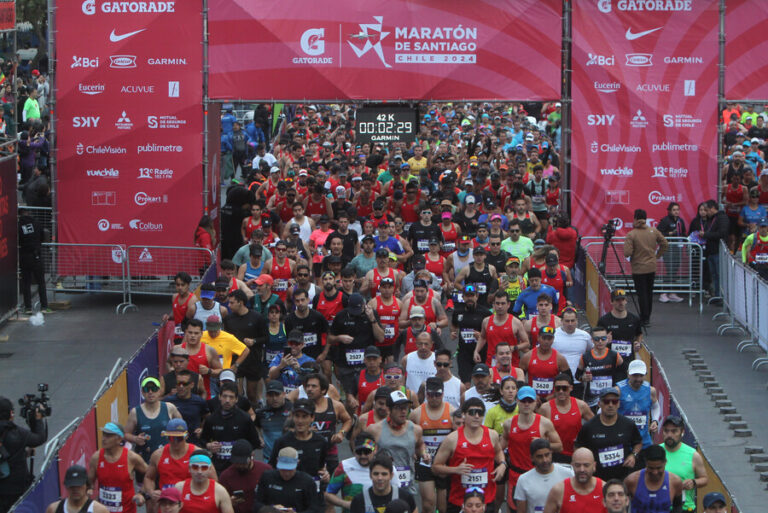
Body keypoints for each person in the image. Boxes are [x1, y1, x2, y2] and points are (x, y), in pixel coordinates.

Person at [431, 398, 506, 513]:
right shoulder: (452, 439)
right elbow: (435, 467)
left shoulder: (492, 435)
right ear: (464, 415)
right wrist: (455, 469)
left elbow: (498, 452)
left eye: (480, 413)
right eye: (472, 412)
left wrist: (502, 464)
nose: (476, 416)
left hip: (485, 499)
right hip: (459, 500)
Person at [502, 386, 563, 504]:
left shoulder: (545, 423)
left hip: (537, 473)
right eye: (523, 401)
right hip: (516, 475)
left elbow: (559, 447)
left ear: (535, 403)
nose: (526, 404)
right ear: (517, 402)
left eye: (530, 401)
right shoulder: (509, 424)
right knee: (515, 508)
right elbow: (500, 447)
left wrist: (543, 443)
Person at [365, 390, 427, 497]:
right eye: (399, 408)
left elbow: (420, 445)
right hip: (383, 486)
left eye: (406, 407)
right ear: (389, 409)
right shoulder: (374, 430)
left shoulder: (416, 430)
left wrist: (424, 453)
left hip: (407, 486)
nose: (403, 411)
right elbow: (366, 452)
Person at [409, 377, 456, 513]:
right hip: (425, 462)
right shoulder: (416, 413)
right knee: (429, 504)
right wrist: (415, 452)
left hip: (444, 464)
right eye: (430, 394)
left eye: (437, 394)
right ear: (426, 393)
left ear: (443, 393)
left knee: (443, 507)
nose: (434, 398)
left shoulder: (452, 412)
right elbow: (409, 436)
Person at [329, 293, 386, 404]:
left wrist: (372, 319)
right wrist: (339, 337)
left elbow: (381, 338)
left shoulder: (372, 314)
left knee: (367, 396)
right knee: (349, 399)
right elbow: (330, 339)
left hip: (366, 364)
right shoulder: (341, 316)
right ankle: (351, 420)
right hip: (346, 365)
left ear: (364, 306)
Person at [575, 388, 642, 482]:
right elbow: (578, 447)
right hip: (597, 479)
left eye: (614, 402)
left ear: (618, 404)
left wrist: (633, 455)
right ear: (599, 404)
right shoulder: (589, 427)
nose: (610, 405)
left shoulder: (628, 424)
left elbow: (638, 442)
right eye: (606, 402)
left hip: (622, 478)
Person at [143, 419, 215, 506]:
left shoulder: (198, 454)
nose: (175, 442)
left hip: (191, 504)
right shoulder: (158, 455)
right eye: (171, 437)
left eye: (179, 438)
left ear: (187, 436)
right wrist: (151, 492)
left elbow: (213, 481)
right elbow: (148, 478)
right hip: (167, 505)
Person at [326, 432, 400, 513]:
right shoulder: (344, 467)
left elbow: (398, 495)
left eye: (367, 452)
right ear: (354, 451)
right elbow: (328, 494)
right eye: (359, 452)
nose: (363, 456)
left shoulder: (387, 467)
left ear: (375, 449)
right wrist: (345, 504)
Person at [199, 382, 260, 474]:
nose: (227, 400)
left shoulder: (245, 419)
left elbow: (255, 442)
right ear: (219, 397)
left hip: (239, 467)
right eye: (224, 396)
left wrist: (243, 451)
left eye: (231, 397)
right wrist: (208, 445)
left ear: (236, 399)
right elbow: (203, 440)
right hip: (218, 467)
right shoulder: (211, 419)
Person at [0, 396, 47, 512]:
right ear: (11, 413)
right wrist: (38, 419)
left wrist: (24, 453)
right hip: (15, 490)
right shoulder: (17, 432)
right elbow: (39, 438)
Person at [88, 423, 148, 513]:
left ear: (119, 439)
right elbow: (89, 483)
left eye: (108, 436)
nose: (104, 439)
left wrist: (141, 493)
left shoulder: (131, 458)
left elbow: (151, 475)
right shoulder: (96, 457)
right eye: (104, 434)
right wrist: (90, 490)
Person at [623, 209, 668, 326]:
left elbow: (627, 252)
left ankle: (644, 317)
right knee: (649, 292)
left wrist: (633, 252)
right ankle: (647, 316)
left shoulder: (631, 234)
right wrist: (657, 255)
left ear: (635, 219)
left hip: (638, 268)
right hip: (651, 266)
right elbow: (665, 244)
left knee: (641, 293)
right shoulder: (653, 230)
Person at [270, 398, 330, 485]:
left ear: (312, 417)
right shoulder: (282, 442)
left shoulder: (321, 442)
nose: (300, 421)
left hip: (312, 491)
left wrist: (325, 475)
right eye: (297, 416)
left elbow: (322, 468)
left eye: (304, 416)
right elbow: (272, 468)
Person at [223, 290, 268, 405]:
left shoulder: (257, 317)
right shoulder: (228, 319)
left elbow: (266, 338)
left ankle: (253, 416)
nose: (229, 305)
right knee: (237, 394)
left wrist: (254, 341)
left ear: (241, 302)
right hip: (236, 361)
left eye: (232, 303)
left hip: (253, 361)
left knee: (252, 394)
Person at [302, 373, 352, 474]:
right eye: (307, 386)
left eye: (314, 386)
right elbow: (288, 428)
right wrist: (303, 431)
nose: (309, 389)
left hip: (330, 452)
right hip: (308, 452)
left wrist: (341, 433)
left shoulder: (336, 405)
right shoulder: (301, 407)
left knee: (330, 485)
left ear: (323, 390)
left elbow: (348, 420)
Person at [538, 374, 593, 464]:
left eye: (564, 388)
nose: (561, 391)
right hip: (554, 456)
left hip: (575, 455)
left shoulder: (581, 405)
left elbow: (594, 425)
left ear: (571, 388)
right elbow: (540, 433)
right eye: (558, 388)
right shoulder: (546, 408)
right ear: (554, 389)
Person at [124, 377, 182, 462]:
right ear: (142, 393)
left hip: (166, 458)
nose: (150, 392)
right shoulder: (135, 412)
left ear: (159, 391)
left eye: (154, 389)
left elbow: (182, 428)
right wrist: (135, 439)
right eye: (147, 389)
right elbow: (126, 434)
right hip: (145, 459)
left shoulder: (169, 407)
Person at [660, 415, 708, 513]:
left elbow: (704, 479)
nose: (669, 435)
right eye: (666, 431)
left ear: (682, 432)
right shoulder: (657, 451)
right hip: (661, 508)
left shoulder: (692, 454)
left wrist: (693, 482)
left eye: (674, 431)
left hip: (685, 508)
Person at [254, 446, 323, 513]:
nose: (286, 473)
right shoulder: (267, 477)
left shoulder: (307, 482)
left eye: (290, 469)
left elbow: (315, 508)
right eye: (283, 469)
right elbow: (256, 503)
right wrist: (270, 509)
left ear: (297, 463)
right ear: (277, 461)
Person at [514, 439, 574, 513]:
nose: (544, 460)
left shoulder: (568, 474)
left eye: (547, 455)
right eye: (539, 456)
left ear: (551, 453)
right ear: (532, 458)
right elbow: (521, 511)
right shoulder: (523, 480)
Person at [597, 289, 643, 382]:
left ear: (626, 301)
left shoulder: (634, 319)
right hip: (610, 362)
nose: (621, 303)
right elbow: (596, 340)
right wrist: (605, 341)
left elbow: (639, 333)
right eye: (617, 300)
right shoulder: (604, 321)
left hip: (628, 361)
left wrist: (638, 344)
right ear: (611, 302)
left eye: (623, 300)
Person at [541, 448, 606, 513]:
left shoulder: (605, 489)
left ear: (594, 466)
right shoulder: (559, 490)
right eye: (578, 465)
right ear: (572, 465)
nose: (582, 469)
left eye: (586, 465)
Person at [451, 285, 493, 384]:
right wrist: (453, 332)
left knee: (483, 383)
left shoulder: (485, 313)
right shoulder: (458, 312)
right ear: (463, 297)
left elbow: (492, 332)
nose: (469, 298)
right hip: (463, 353)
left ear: (477, 296)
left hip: (481, 353)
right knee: (465, 384)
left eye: (472, 295)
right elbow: (454, 325)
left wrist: (482, 336)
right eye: (467, 296)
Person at [349, 454, 418, 513]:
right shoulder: (359, 501)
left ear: (391, 476)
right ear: (370, 475)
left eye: (384, 474)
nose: (380, 478)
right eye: (376, 474)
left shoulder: (405, 497)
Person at [476, 291, 529, 368]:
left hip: (511, 366)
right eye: (497, 303)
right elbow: (482, 337)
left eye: (503, 303)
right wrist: (476, 351)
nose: (500, 306)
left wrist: (514, 347)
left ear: (508, 305)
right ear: (493, 304)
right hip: (492, 365)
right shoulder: (486, 321)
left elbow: (527, 343)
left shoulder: (516, 322)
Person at [624, 445, 683, 513]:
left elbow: (678, 507)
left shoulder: (675, 482)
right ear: (646, 463)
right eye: (651, 468)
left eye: (659, 468)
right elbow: (621, 506)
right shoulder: (631, 481)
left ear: (665, 462)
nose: (655, 472)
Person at [616, 360, 659, 450]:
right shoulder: (618, 390)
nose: (638, 379)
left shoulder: (651, 391)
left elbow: (655, 407)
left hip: (644, 441)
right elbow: (604, 410)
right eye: (635, 375)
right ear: (628, 374)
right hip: (623, 441)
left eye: (641, 375)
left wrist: (655, 421)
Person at [577, 326, 623, 408]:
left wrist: (616, 388)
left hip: (610, 397)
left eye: (603, 338)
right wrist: (583, 378)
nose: (600, 341)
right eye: (597, 339)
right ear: (592, 340)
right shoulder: (585, 357)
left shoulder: (615, 356)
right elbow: (577, 376)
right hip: (592, 398)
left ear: (607, 339)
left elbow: (622, 375)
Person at [219, 440, 270, 513]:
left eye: (243, 463)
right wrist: (229, 502)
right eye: (236, 462)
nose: (239, 465)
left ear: (252, 455)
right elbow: (219, 502)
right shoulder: (226, 476)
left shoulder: (265, 470)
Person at [520, 326, 570, 400]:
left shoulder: (560, 359)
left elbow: (568, 381)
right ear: (538, 338)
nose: (546, 342)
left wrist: (554, 395)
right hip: (532, 399)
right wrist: (529, 393)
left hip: (553, 399)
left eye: (549, 339)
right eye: (544, 338)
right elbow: (520, 381)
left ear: (553, 339)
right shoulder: (527, 357)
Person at [182, 319, 225, 399]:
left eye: (196, 333)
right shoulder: (178, 350)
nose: (193, 336)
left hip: (203, 397)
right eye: (190, 332)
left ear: (201, 334)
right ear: (186, 332)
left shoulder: (209, 351)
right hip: (182, 397)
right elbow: (168, 364)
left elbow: (220, 371)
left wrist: (209, 371)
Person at [18, 208, 50, 314]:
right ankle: (44, 307)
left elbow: (17, 240)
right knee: (41, 282)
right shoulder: (36, 223)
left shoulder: (18, 226)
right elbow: (42, 236)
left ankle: (28, 308)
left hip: (24, 255)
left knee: (26, 283)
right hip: (36, 255)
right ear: (28, 213)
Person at [163, 372, 210, 443]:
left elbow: (208, 417)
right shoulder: (168, 402)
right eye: (179, 384)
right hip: (174, 443)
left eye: (184, 384)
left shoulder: (199, 401)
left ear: (192, 385)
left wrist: (202, 428)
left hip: (194, 442)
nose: (181, 387)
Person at [254, 380, 292, 462]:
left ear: (284, 394)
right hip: (268, 459)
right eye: (271, 395)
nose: (274, 398)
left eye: (277, 394)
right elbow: (255, 426)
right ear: (266, 396)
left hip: (289, 458)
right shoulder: (261, 413)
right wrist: (259, 437)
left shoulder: (293, 410)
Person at [45, 465, 109, 513]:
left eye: (79, 485)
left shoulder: (99, 510)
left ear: (86, 485)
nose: (75, 489)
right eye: (72, 485)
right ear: (67, 486)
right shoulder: (53, 509)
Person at [656, 202, 687, 303]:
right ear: (669, 211)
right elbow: (658, 232)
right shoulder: (665, 220)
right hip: (668, 248)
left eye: (677, 209)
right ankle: (663, 293)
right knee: (670, 269)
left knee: (675, 269)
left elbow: (683, 233)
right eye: (674, 210)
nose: (676, 212)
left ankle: (672, 292)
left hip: (678, 248)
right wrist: (669, 233)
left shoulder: (680, 221)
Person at [369, 277, 403, 362]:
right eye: (384, 287)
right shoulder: (373, 303)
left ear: (393, 288)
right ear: (380, 288)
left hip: (393, 343)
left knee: (392, 367)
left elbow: (402, 321)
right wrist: (379, 325)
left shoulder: (399, 303)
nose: (387, 290)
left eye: (389, 287)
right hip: (377, 343)